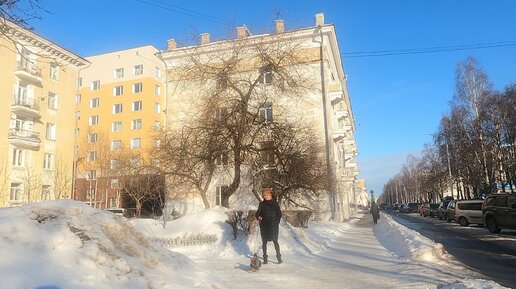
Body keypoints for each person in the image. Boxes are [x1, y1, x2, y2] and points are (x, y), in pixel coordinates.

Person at [255, 188, 282, 264]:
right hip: (264, 226)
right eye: (264, 195)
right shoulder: (262, 204)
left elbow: (279, 214)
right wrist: (259, 217)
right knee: (264, 242)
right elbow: (257, 214)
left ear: (270, 194)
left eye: (267, 195)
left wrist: (276, 222)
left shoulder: (275, 203)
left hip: (273, 226)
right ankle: (265, 259)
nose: (266, 196)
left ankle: (279, 258)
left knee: (275, 241)